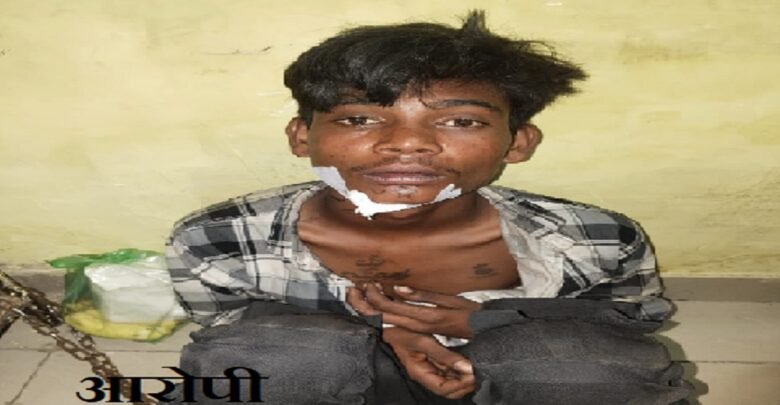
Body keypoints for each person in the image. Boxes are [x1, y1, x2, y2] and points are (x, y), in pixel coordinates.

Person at [165, 10, 691, 404]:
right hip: (337, 383)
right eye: (359, 119)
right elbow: (228, 330)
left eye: (460, 121)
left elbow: (627, 320)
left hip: (522, 381)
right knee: (264, 363)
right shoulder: (220, 239)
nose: (407, 144)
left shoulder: (595, 238)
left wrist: (491, 321)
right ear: (302, 137)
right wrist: (388, 334)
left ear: (517, 142)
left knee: (585, 370)